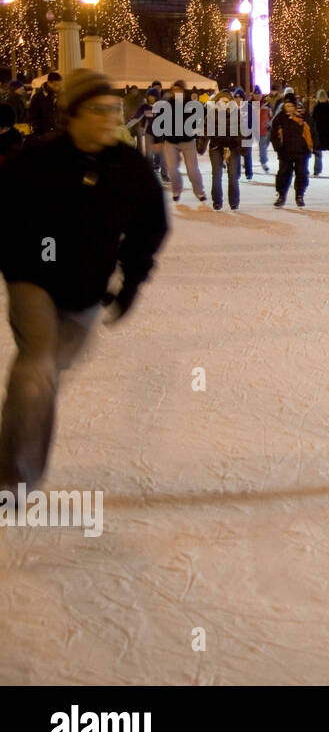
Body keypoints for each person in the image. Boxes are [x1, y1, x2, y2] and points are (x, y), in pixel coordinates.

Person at [0, 69, 168, 486]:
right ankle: (12, 481)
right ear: (73, 115)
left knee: (48, 374)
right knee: (37, 369)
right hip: (33, 281)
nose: (111, 117)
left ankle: (21, 439)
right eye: (99, 109)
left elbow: (151, 226)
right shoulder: (38, 161)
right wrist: (17, 261)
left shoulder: (129, 167)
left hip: (87, 291)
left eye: (115, 109)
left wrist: (130, 283)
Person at [158, 80, 207, 204]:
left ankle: (199, 191)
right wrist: (161, 136)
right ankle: (176, 190)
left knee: (192, 169)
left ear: (183, 91)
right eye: (174, 90)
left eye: (179, 90)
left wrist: (195, 131)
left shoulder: (190, 104)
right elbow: (160, 121)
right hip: (171, 141)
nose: (176, 93)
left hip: (187, 141)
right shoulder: (167, 105)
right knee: (172, 169)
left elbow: (199, 118)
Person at [270, 95, 314, 207]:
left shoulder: (303, 116)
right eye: (287, 105)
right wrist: (277, 147)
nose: (288, 108)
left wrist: (314, 146)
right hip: (285, 152)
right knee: (283, 173)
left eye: (291, 106)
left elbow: (312, 131)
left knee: (301, 173)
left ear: (295, 106)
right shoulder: (280, 117)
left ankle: (299, 195)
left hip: (302, 152)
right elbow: (274, 134)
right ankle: (281, 195)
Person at [207, 91, 242, 211]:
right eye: (221, 101)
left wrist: (243, 147)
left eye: (226, 102)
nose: (223, 104)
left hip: (232, 147)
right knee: (216, 175)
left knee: (233, 176)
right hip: (216, 147)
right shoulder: (212, 114)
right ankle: (217, 201)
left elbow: (243, 131)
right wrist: (201, 145)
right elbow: (205, 130)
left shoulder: (236, 114)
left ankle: (234, 202)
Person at [26, 73, 62, 138]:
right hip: (44, 133)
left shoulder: (59, 95)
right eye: (55, 85)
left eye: (59, 85)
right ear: (49, 83)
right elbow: (32, 115)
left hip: (57, 132)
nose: (57, 88)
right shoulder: (38, 97)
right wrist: (38, 130)